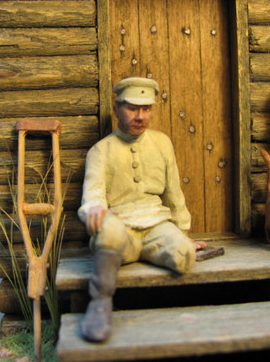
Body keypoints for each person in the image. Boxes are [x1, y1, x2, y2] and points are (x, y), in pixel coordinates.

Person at [78, 76, 204, 342]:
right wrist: (94, 211)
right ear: (117, 109)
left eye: (146, 109)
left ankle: (146, 251)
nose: (140, 116)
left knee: (184, 254)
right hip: (121, 227)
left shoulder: (162, 143)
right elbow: (93, 195)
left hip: (157, 226)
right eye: (132, 108)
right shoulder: (101, 151)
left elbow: (174, 191)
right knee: (111, 231)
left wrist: (183, 232)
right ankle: (100, 302)